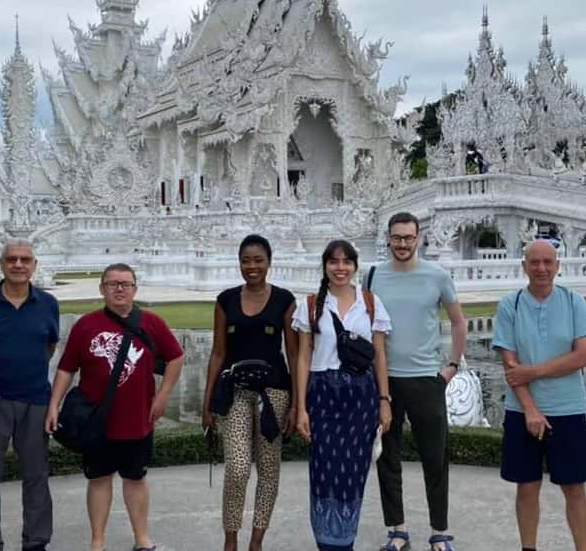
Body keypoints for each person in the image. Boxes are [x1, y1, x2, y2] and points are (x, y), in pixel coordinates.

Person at [46, 263, 184, 551]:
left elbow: (176, 357)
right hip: (96, 419)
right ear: (102, 289)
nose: (119, 289)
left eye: (125, 283)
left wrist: (163, 395)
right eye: (112, 284)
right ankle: (97, 540)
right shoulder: (86, 324)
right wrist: (54, 405)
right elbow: (66, 369)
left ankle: (142, 538)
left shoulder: (152, 323)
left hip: (137, 417)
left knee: (136, 478)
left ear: (135, 288)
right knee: (98, 479)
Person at [365, 212, 466, 551]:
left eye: (408, 237)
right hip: (385, 381)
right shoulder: (373, 275)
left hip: (426, 379)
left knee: (434, 458)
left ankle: (439, 532)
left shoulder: (436, 275)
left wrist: (451, 366)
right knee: (388, 458)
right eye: (397, 238)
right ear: (388, 238)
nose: (403, 244)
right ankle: (398, 530)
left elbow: (459, 322)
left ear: (419, 237)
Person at [492, 240, 586, 551]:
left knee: (574, 487)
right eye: (534, 262)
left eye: (547, 262)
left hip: (568, 408)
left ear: (557, 266)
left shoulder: (573, 302)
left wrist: (534, 371)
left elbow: (582, 357)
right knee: (527, 486)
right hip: (521, 410)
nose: (541, 268)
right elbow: (511, 366)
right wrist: (530, 409)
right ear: (524, 266)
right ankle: (528, 548)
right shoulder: (509, 305)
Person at [0, 239, 60, 551]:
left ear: (34, 265)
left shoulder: (48, 304)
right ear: (1, 264)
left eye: (25, 260)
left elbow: (49, 347)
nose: (18, 265)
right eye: (12, 259)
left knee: (36, 476)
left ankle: (36, 541)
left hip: (35, 400)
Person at [293, 239, 393, 551]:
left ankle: (345, 540)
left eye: (346, 262)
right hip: (322, 393)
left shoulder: (371, 303)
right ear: (325, 266)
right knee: (323, 472)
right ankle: (326, 542)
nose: (340, 268)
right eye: (334, 262)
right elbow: (303, 358)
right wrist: (301, 409)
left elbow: (379, 354)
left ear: (354, 266)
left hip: (361, 395)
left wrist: (384, 401)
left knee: (353, 472)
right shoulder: (310, 305)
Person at [202, 234, 298, 551]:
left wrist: (297, 404)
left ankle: (256, 541)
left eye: (258, 260)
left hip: (274, 392)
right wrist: (207, 403)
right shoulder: (226, 300)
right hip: (235, 390)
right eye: (246, 260)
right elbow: (218, 353)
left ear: (269, 262)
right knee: (239, 467)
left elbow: (294, 354)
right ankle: (230, 539)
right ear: (239, 262)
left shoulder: (285, 300)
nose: (252, 266)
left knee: (269, 470)